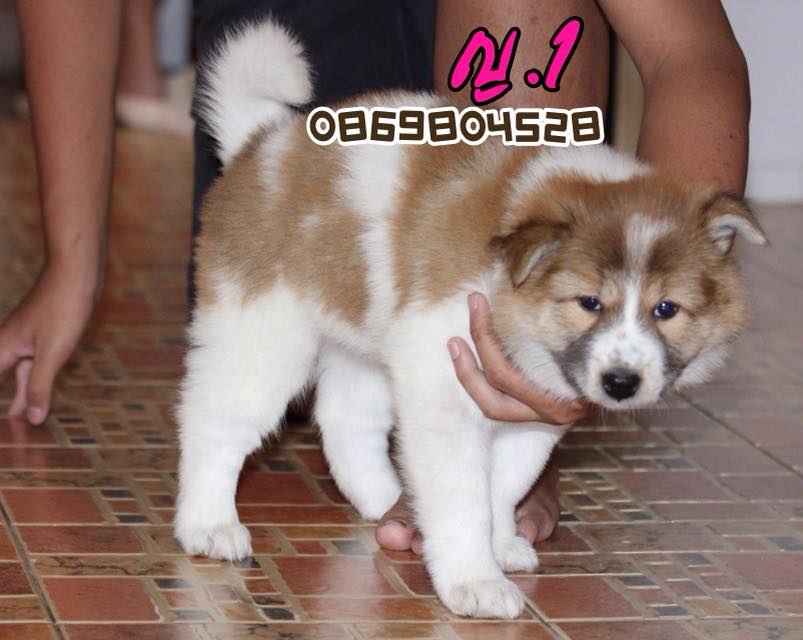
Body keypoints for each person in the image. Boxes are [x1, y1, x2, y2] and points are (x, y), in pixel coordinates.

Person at [0, 0, 750, 554]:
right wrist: (72, 260)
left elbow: (689, 50)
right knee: (283, 358)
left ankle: (501, 410)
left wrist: (675, 243)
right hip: (305, 106)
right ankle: (445, 438)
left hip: (486, 104)